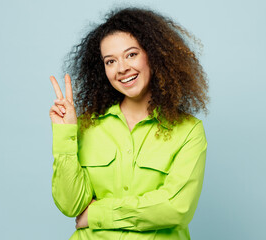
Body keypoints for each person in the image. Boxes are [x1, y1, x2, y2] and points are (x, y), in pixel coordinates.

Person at [49, 7, 209, 240]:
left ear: (153, 54)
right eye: (110, 61)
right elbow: (70, 205)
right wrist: (65, 133)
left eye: (131, 54)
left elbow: (175, 208)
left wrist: (96, 214)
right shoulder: (86, 126)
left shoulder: (188, 131)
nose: (122, 68)